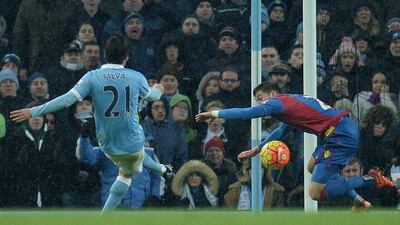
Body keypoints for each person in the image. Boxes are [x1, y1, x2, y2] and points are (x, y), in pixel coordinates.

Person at [10, 35, 172, 214]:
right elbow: (153, 97)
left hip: (106, 141)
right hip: (131, 137)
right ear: (126, 57)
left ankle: (105, 215)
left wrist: (34, 110)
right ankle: (162, 169)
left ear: (105, 54)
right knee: (130, 166)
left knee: (127, 172)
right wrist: (158, 89)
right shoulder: (136, 76)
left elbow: (67, 100)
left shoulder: (93, 77)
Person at [196, 82, 396, 209]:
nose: (259, 104)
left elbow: (247, 113)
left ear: (273, 93)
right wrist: (257, 149)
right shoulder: (288, 102)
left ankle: (371, 178)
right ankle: (359, 202)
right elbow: (281, 131)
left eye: (260, 98)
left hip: (339, 136)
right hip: (336, 132)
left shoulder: (277, 103)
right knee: (311, 167)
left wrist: (214, 113)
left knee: (315, 193)